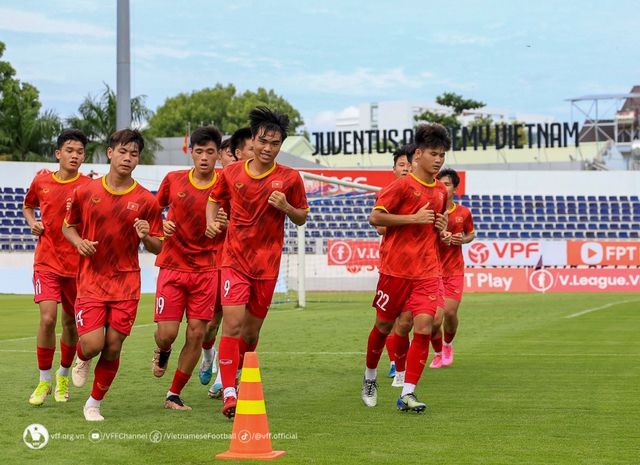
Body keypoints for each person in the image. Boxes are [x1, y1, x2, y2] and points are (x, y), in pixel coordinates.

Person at [205, 106, 309, 419]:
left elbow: (302, 217)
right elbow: (214, 198)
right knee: (232, 324)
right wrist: (212, 223)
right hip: (233, 261)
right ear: (253, 139)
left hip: (266, 267)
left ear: (281, 146)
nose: (267, 148)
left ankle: (236, 372)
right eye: (263, 141)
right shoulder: (233, 172)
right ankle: (229, 393)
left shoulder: (290, 178)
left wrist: (287, 206)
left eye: (274, 144)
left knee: (249, 335)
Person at [63, 128, 164, 421]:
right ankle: (81, 358)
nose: (128, 158)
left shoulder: (147, 200)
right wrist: (78, 241)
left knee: (113, 345)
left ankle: (94, 403)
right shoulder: (85, 191)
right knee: (94, 344)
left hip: (126, 282)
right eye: (123, 151)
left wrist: (146, 237)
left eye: (134, 154)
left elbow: (157, 246)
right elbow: (67, 226)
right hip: (92, 280)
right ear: (110, 153)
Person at [362, 123, 451, 412]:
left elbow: (438, 224)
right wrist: (413, 219)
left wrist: (441, 225)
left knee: (424, 328)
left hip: (426, 272)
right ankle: (370, 376)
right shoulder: (400, 186)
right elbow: (375, 218)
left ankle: (408, 392)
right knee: (383, 326)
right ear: (419, 154)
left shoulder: (440, 190)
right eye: (434, 154)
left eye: (443, 155)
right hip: (394, 272)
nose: (438, 160)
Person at [151, 126, 228, 410]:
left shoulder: (226, 183)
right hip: (173, 266)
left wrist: (224, 225)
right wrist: (161, 227)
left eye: (211, 152)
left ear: (218, 154)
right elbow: (151, 212)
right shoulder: (173, 180)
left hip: (207, 269)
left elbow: (236, 219)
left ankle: (173, 394)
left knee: (198, 332)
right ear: (191, 152)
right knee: (167, 333)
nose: (205, 157)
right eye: (200, 151)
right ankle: (163, 349)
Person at [23, 129, 92, 406]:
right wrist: (32, 222)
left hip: (77, 267)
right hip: (47, 262)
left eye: (79, 152)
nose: (75, 155)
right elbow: (28, 206)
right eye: (69, 150)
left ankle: (63, 376)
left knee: (70, 324)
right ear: (58, 153)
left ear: (84, 156)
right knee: (48, 318)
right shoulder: (41, 181)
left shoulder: (88, 186)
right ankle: (44, 381)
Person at [198, 131, 238, 398]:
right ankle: (208, 356)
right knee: (211, 323)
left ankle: (225, 380)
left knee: (235, 325)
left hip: (237, 264)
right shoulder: (210, 185)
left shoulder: (244, 184)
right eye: (227, 153)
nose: (231, 158)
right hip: (212, 262)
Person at [433, 168, 475, 367]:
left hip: (454, 270)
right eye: (439, 183)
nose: (442, 187)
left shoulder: (464, 212)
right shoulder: (431, 210)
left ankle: (447, 344)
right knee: (433, 321)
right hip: (432, 271)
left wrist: (462, 240)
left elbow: (471, 235)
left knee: (449, 313)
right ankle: (438, 352)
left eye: (447, 184)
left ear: (455, 189)